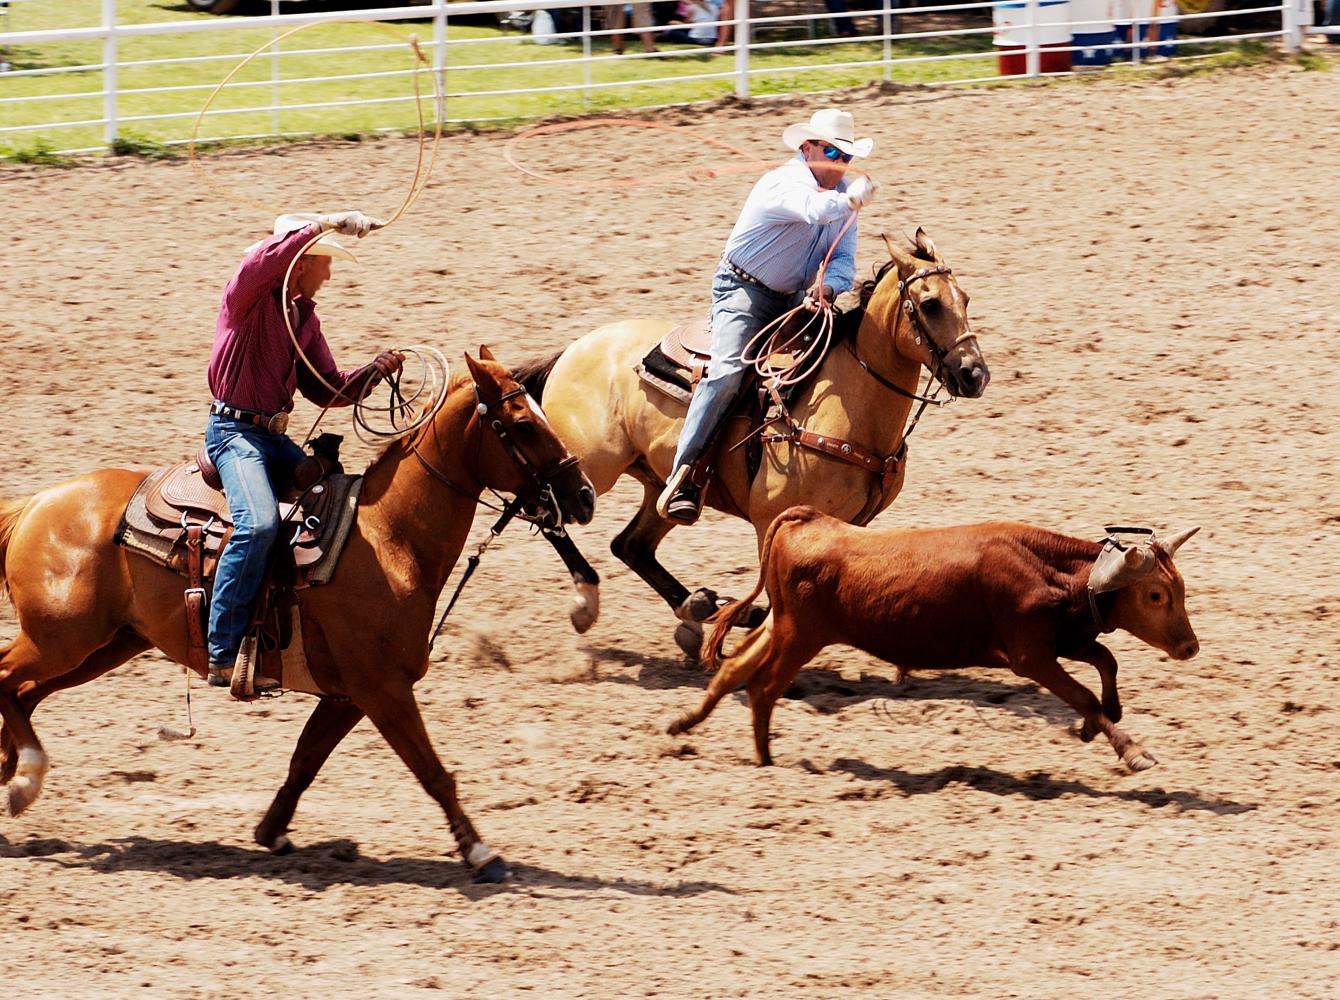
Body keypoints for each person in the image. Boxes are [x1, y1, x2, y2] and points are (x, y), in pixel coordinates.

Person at [205, 211, 403, 691]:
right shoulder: (247, 295)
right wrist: (330, 221)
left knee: (340, 508)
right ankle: (222, 650)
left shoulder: (303, 319)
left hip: (271, 437)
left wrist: (374, 370)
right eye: (324, 264)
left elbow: (329, 389)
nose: (329, 274)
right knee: (259, 523)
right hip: (233, 434)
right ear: (301, 261)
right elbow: (267, 259)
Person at [656, 108, 877, 526]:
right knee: (726, 373)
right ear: (807, 148)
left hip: (794, 296)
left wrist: (827, 287)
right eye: (832, 151)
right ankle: (683, 474)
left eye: (845, 156)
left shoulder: (842, 197)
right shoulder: (783, 183)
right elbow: (813, 210)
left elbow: (844, 260)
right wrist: (849, 199)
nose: (839, 163)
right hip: (742, 291)